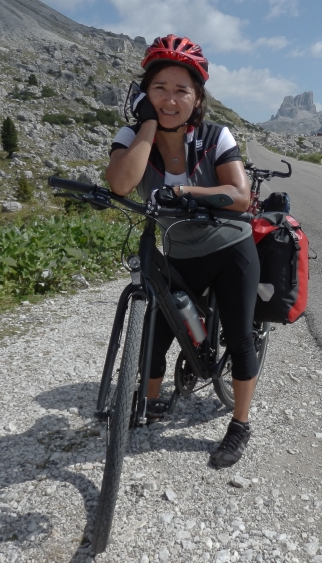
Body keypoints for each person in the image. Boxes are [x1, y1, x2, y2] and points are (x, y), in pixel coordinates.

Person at [105, 35, 259, 469]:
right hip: (176, 252)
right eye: (159, 88)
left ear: (197, 98)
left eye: (181, 90)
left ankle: (240, 424)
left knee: (240, 335)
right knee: (155, 335)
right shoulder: (134, 135)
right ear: (143, 93)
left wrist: (186, 190)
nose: (169, 99)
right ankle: (149, 404)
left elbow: (240, 197)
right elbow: (121, 183)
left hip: (230, 247)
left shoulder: (215, 136)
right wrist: (148, 126)